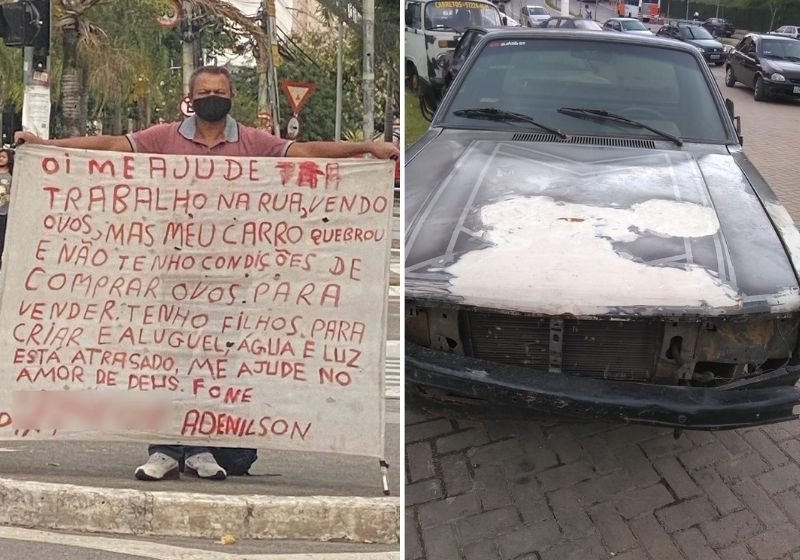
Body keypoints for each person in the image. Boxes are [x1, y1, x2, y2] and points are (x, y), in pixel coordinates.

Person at [15, 65, 399, 482]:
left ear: (232, 96)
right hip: (172, 273)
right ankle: (163, 448)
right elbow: (109, 146)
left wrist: (365, 149)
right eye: (204, 91)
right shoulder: (163, 138)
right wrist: (47, 146)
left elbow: (304, 154)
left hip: (230, 278)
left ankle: (201, 447)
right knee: (167, 362)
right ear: (190, 97)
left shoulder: (254, 142)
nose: (211, 96)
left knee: (216, 364)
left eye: (219, 90)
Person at [0, 147, 13, 269]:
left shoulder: (11, 176)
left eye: (4, 156)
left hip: (4, 212)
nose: (1, 159)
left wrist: (8, 197)